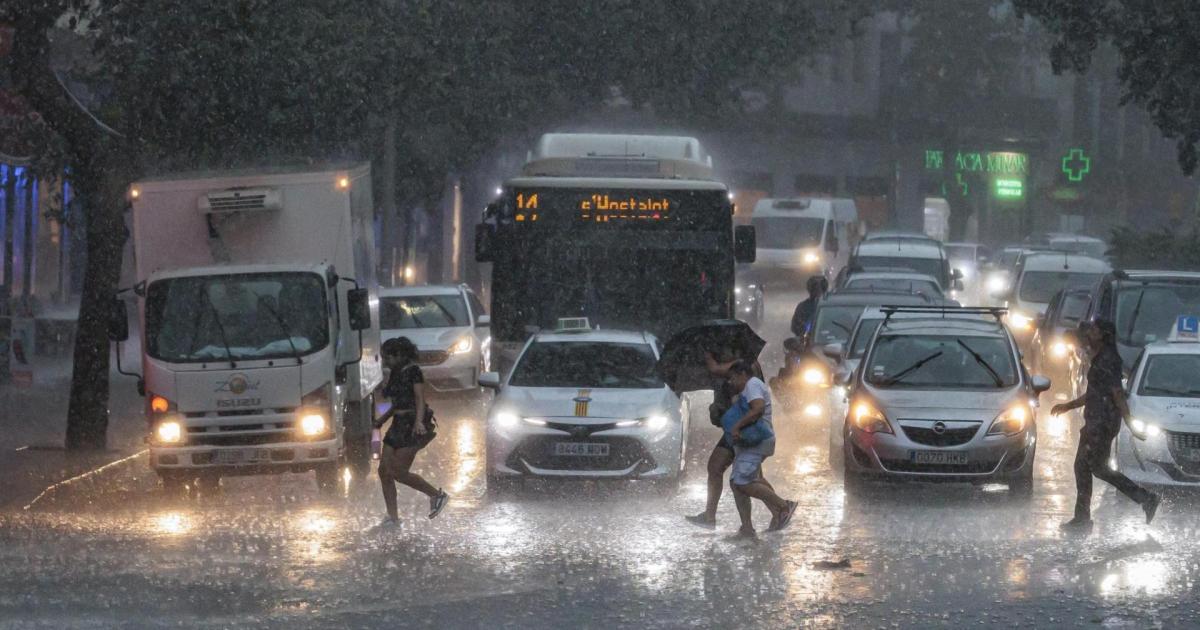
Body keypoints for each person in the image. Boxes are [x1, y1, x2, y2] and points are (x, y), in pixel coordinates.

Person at [1051, 320, 1160, 531]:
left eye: (1094, 330)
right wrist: (1068, 405)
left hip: (1102, 423)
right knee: (1091, 467)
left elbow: (1117, 393)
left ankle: (1144, 499)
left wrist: (1129, 422)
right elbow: (1094, 392)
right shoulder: (1100, 357)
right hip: (1096, 421)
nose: (1089, 333)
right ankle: (1141, 499)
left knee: (1091, 467)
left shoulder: (1109, 360)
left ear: (1103, 334)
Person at [685, 348, 774, 530]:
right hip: (738, 427)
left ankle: (780, 509)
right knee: (741, 477)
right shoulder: (738, 366)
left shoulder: (743, 365)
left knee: (741, 478)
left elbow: (716, 369)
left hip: (745, 429)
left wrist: (707, 355)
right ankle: (747, 523)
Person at [374, 337, 449, 526]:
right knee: (384, 471)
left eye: (388, 357)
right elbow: (396, 404)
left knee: (399, 472)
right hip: (397, 424)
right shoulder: (395, 372)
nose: (385, 362)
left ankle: (436, 495)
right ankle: (392, 518)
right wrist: (381, 420)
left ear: (399, 355)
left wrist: (418, 422)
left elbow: (419, 399)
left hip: (411, 425)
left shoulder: (414, 371)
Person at [725, 360, 797, 538]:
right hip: (750, 442)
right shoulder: (747, 388)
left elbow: (757, 409)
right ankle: (747, 528)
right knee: (737, 483)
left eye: (733, 378)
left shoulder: (752, 384)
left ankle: (783, 506)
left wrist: (737, 426)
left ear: (743, 374)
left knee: (742, 482)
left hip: (758, 440)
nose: (730, 382)